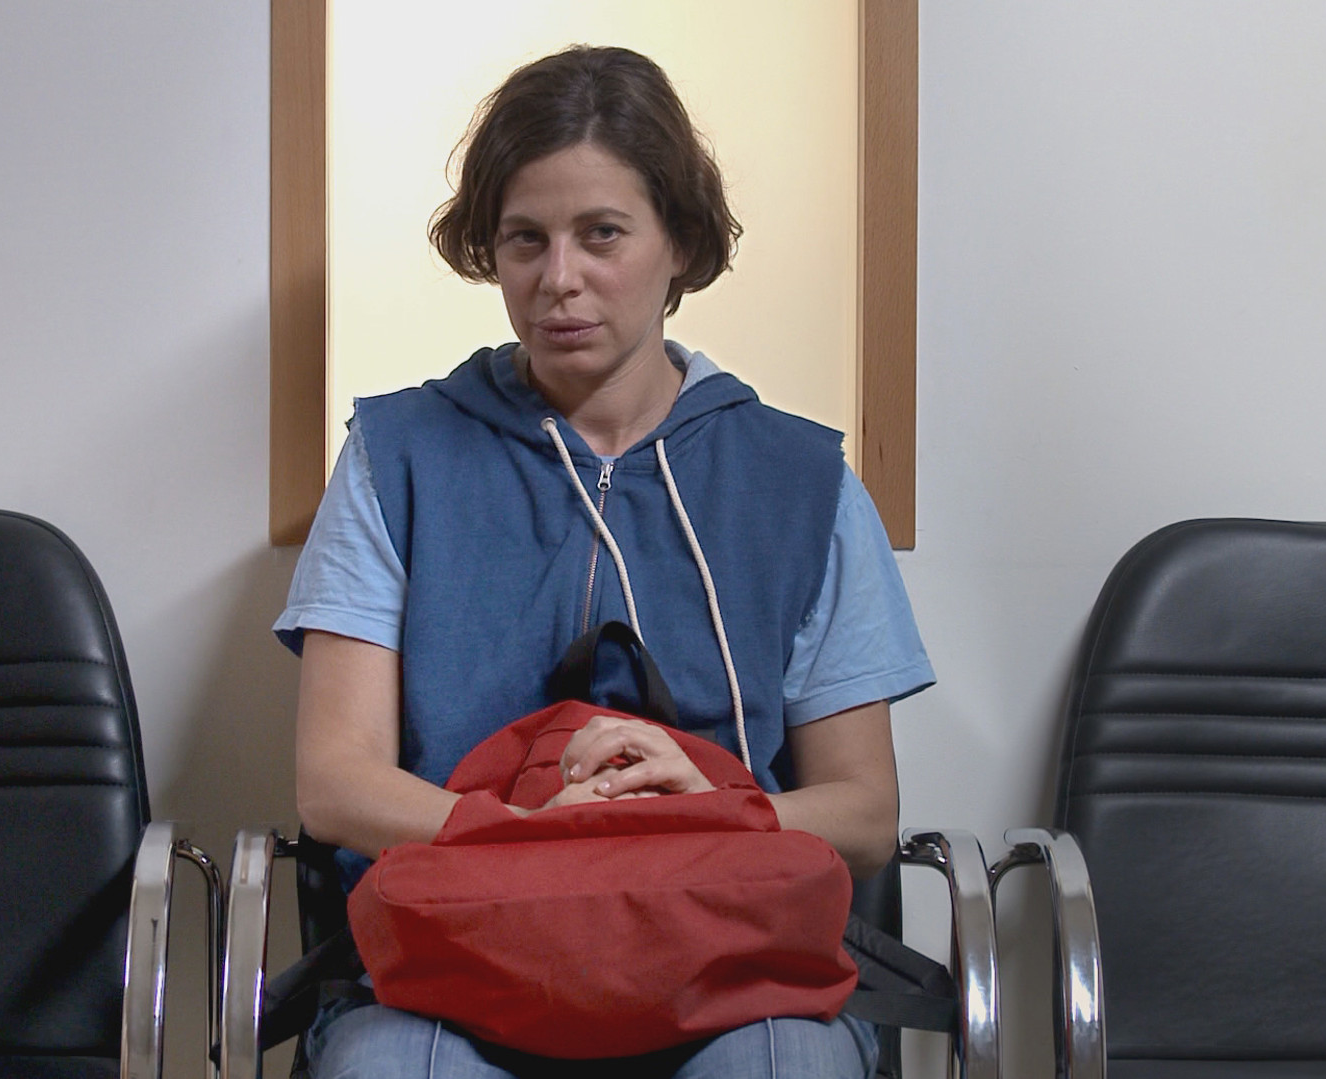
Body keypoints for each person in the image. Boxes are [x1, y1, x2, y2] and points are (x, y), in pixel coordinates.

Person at [273, 44, 934, 1079]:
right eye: (525, 239)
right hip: (457, 960)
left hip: (727, 963)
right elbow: (335, 783)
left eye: (602, 234)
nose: (558, 280)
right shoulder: (394, 457)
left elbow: (863, 810)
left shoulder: (802, 480)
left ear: (681, 242)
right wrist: (524, 832)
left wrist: (712, 812)